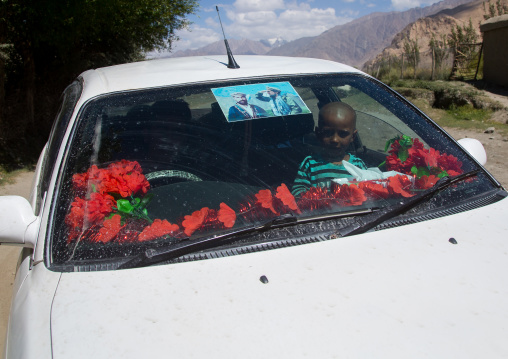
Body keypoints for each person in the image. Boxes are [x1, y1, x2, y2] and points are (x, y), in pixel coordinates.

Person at [291, 102, 367, 197]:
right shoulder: (310, 163)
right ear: (318, 133)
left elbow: (366, 190)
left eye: (342, 134)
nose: (335, 140)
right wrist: (313, 197)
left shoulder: (357, 165)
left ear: (353, 136)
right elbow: (297, 192)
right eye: (328, 133)